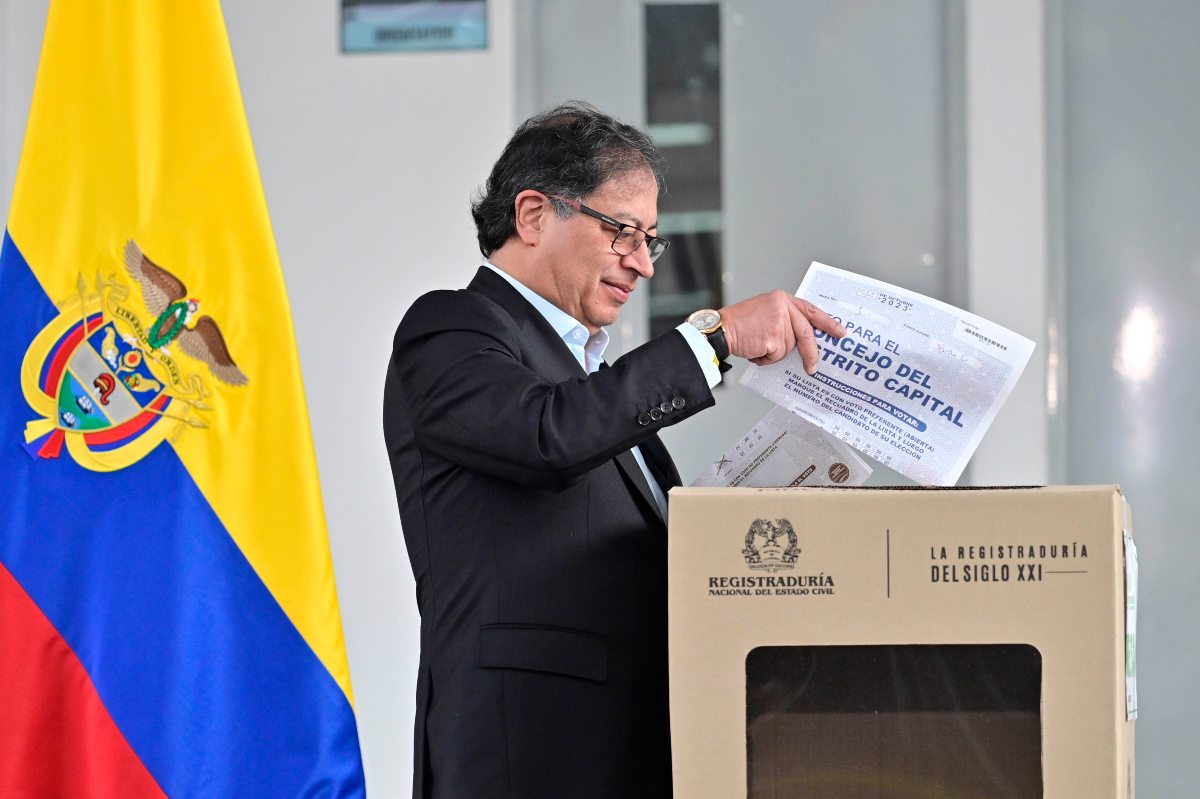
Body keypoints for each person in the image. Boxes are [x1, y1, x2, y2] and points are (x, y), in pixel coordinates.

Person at [383, 102, 844, 799]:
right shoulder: (450, 327)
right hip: (529, 751)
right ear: (534, 214)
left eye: (650, 241)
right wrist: (716, 338)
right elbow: (547, 437)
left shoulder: (588, 375)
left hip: (630, 744)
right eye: (623, 231)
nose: (642, 264)